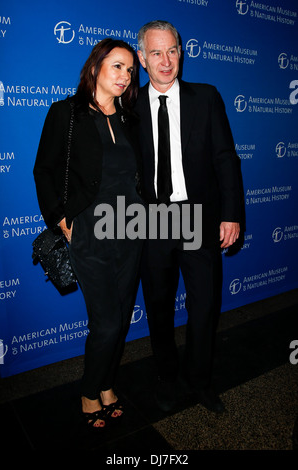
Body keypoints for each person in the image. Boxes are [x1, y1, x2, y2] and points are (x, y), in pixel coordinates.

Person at [33, 39, 143, 429]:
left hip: (133, 230)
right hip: (90, 233)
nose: (125, 76)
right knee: (107, 322)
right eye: (117, 66)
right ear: (95, 67)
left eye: (130, 70)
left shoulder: (132, 117)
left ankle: (108, 383)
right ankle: (89, 390)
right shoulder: (67, 113)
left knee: (123, 318)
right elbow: (43, 170)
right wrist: (61, 218)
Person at [136, 20, 242, 413]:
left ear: (182, 53)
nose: (166, 61)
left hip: (197, 216)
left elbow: (226, 159)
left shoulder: (206, 97)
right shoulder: (128, 106)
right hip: (151, 221)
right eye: (157, 53)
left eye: (173, 51)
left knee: (205, 305)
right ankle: (167, 377)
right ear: (142, 59)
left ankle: (198, 380)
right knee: (159, 306)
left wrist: (231, 214)